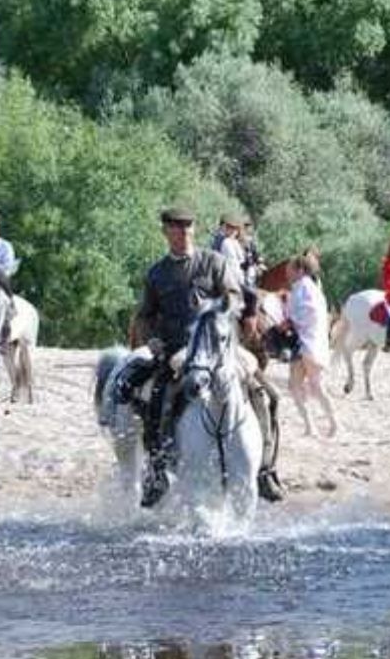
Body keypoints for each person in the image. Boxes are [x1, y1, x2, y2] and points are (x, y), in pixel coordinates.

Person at [122, 206, 284, 507]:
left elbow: (235, 294)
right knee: (158, 396)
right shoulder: (157, 273)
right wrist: (152, 340)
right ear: (165, 232)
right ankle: (158, 470)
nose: (182, 234)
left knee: (269, 394)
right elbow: (145, 315)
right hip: (179, 350)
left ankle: (265, 470)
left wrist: (226, 311)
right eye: (176, 229)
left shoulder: (214, 262)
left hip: (220, 346)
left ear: (194, 230)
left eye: (187, 228)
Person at [287, 254, 338, 438]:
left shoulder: (305, 288)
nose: (287, 271)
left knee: (316, 386)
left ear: (300, 270)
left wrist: (291, 322)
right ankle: (311, 426)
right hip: (304, 342)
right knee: (295, 385)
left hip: (307, 342)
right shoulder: (305, 287)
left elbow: (308, 313)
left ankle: (334, 423)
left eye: (291, 268)